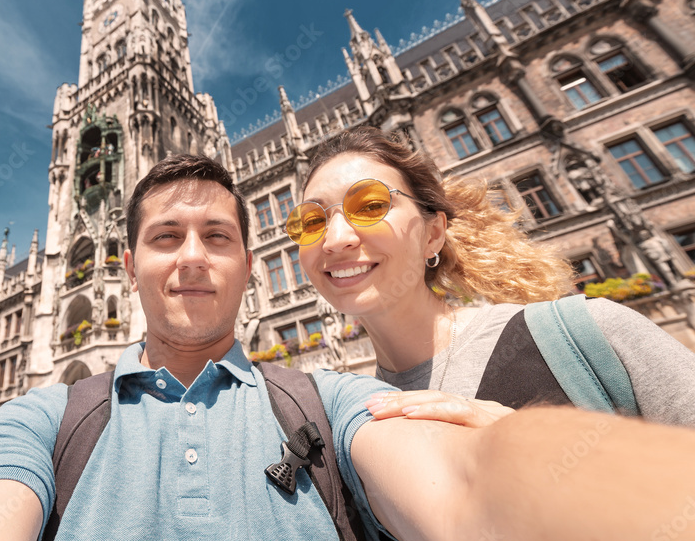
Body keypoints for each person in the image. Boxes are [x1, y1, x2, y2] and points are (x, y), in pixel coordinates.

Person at [0, 154, 695, 541]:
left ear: (253, 263)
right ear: (126, 264)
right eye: (163, 238)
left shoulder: (327, 399)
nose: (190, 259)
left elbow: (469, 491)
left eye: (218, 236)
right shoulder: (44, 418)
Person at [289, 127, 695, 426]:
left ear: (433, 234)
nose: (335, 239)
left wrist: (530, 443)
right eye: (311, 220)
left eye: (372, 205)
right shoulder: (348, 413)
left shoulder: (588, 334)